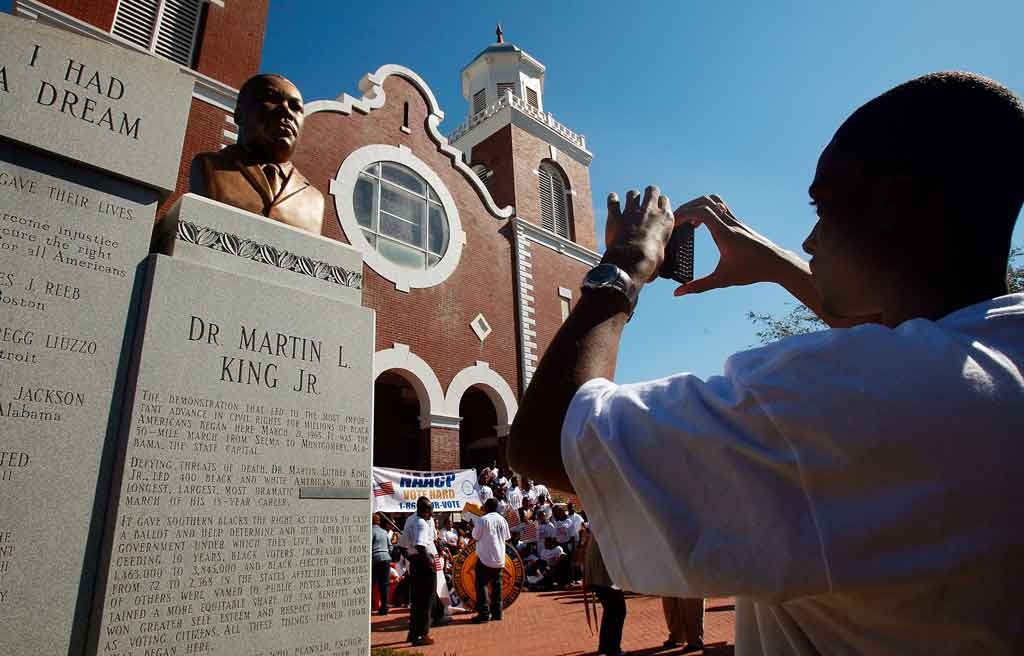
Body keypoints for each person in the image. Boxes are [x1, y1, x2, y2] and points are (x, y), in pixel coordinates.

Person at [508, 72, 1024, 654]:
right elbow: (915, 342)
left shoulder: (819, 403)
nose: (809, 240)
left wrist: (625, 264)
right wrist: (777, 265)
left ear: (898, 204)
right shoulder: (995, 355)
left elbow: (545, 440)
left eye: (824, 206)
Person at [190, 73, 324, 234]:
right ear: (239, 114)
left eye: (295, 107)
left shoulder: (315, 198)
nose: (286, 111)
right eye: (271, 99)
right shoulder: (209, 166)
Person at [400, 496, 439, 647]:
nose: (431, 514)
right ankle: (423, 634)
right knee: (427, 601)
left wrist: (411, 559)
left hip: (415, 564)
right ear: (423, 510)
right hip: (425, 565)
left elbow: (402, 547)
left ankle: (413, 633)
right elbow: (420, 546)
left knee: (416, 601)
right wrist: (429, 561)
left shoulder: (409, 520)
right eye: (430, 511)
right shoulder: (421, 523)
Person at [584, 523, 626, 656]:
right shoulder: (608, 530)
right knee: (618, 611)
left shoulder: (600, 528)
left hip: (599, 578)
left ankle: (606, 646)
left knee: (611, 611)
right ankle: (613, 648)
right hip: (606, 579)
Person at [471, 498, 511, 622]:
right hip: (499, 557)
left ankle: (484, 614)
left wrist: (472, 527)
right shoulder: (502, 520)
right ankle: (497, 613)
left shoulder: (483, 520)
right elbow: (507, 537)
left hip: (485, 557)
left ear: (487, 507)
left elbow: (475, 536)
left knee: (481, 585)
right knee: (497, 586)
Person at [371, 513, 393, 616]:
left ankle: (371, 606)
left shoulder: (370, 531)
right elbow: (390, 547)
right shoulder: (384, 532)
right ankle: (385, 607)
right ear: (379, 521)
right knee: (384, 585)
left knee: (371, 584)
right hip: (386, 558)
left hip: (375, 559)